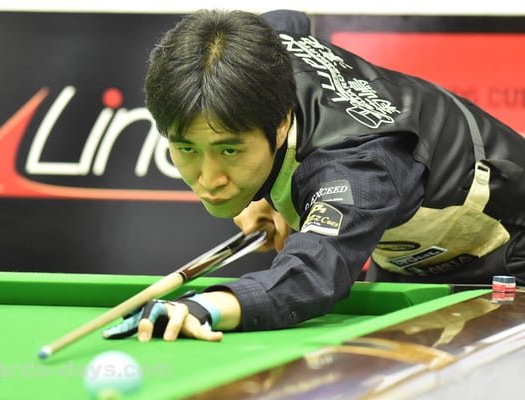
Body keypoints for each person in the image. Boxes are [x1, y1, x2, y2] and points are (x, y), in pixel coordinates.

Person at [103, 9, 525, 342]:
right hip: (409, 254)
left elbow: (313, 273)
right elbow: (288, 20)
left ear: (281, 124)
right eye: (187, 149)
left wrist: (205, 307)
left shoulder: (357, 166)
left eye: (229, 150)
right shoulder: (262, 53)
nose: (209, 178)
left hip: (508, 246)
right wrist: (268, 194)